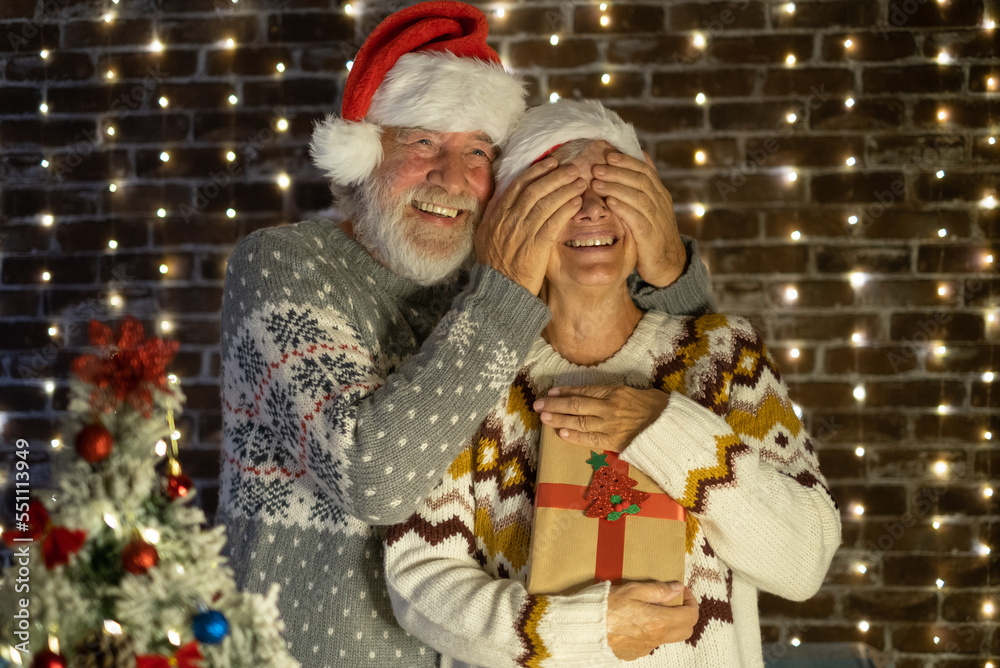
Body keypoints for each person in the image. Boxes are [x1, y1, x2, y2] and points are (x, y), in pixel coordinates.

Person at [217, 3, 716, 665]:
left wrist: (667, 270)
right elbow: (372, 480)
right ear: (367, 153)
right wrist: (506, 292)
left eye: (477, 152)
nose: (450, 179)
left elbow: (695, 384)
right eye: (423, 142)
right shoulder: (284, 264)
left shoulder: (496, 290)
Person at [383, 100, 843, 667]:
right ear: (511, 215)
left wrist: (664, 425)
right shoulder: (469, 372)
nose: (591, 211)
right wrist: (585, 627)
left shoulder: (725, 355)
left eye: (613, 186)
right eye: (560, 190)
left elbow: (803, 559)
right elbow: (419, 583)